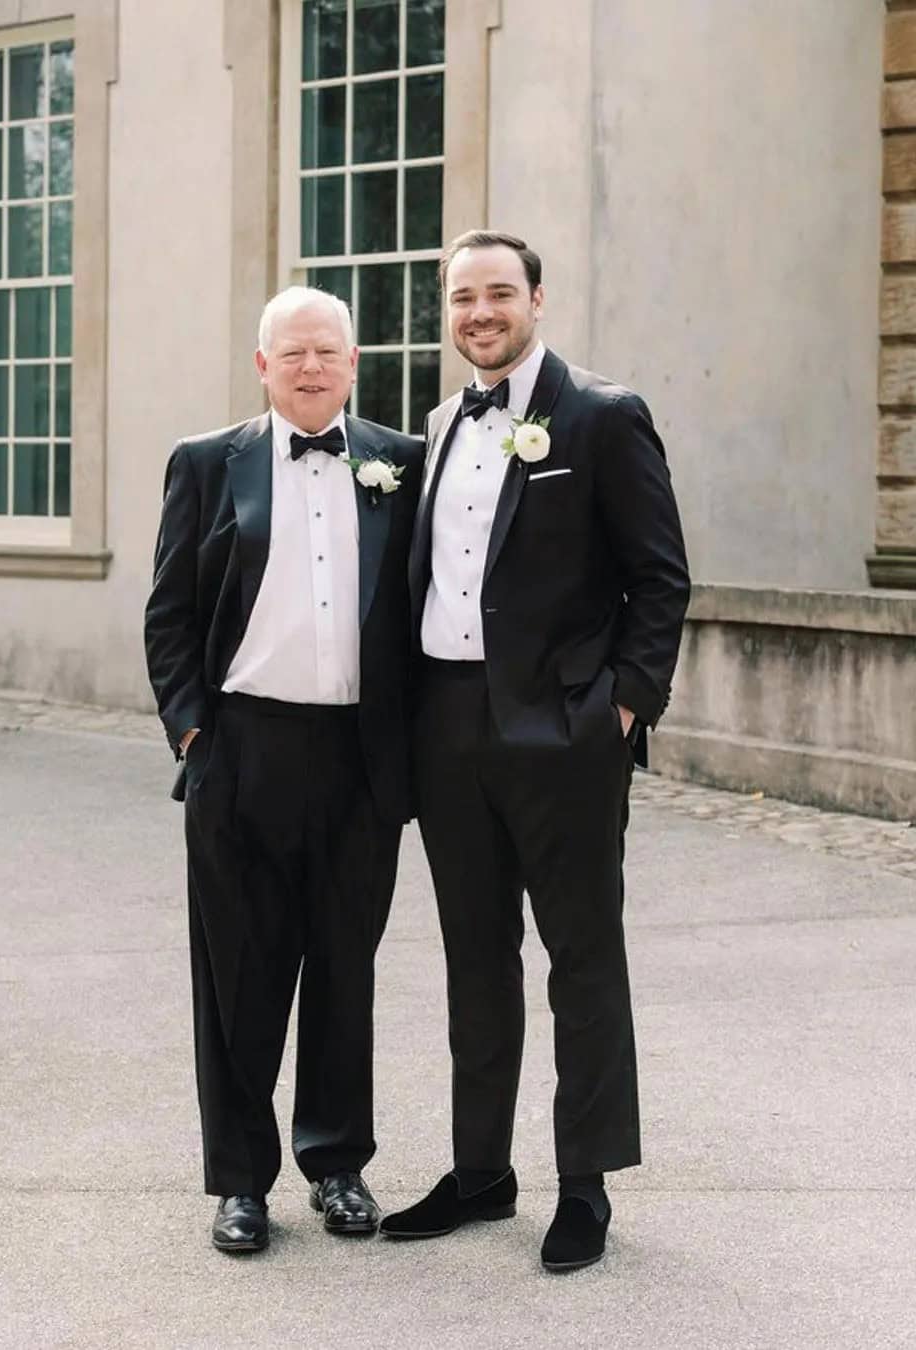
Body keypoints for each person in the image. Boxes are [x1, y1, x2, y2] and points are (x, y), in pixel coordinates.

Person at [380, 231, 691, 1270]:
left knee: (583, 960)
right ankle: (480, 1175)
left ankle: (585, 1184)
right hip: (447, 725)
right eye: (463, 296)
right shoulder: (437, 422)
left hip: (563, 733)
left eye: (498, 293)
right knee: (475, 962)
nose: (480, 312)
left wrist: (623, 711)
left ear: (537, 300)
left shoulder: (601, 416)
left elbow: (661, 577)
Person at [144, 287, 422, 1254]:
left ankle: (338, 1165)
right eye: (292, 353)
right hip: (240, 753)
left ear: (355, 364)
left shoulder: (402, 464)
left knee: (345, 970)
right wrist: (192, 736)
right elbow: (170, 615)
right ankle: (240, 1183)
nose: (311, 368)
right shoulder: (205, 465)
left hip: (359, 761)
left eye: (328, 352)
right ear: (262, 366)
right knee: (240, 978)